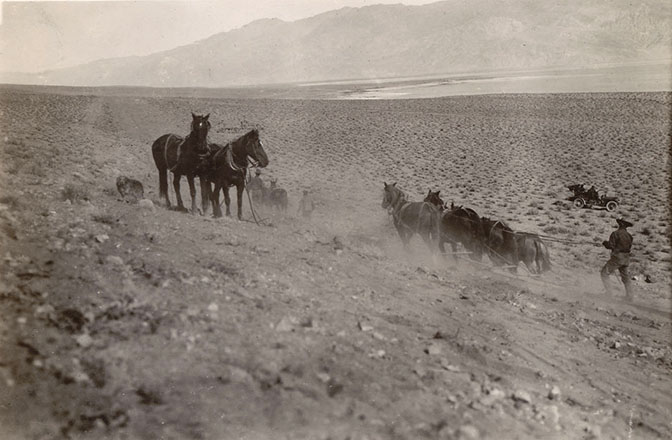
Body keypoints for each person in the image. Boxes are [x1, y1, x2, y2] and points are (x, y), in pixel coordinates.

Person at [601, 218, 634, 301]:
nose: (618, 224)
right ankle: (629, 296)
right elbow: (629, 247)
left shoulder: (615, 233)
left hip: (617, 257)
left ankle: (609, 293)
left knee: (604, 273)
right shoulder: (629, 236)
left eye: (620, 223)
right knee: (625, 277)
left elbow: (611, 246)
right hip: (626, 258)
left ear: (621, 224)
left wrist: (605, 243)